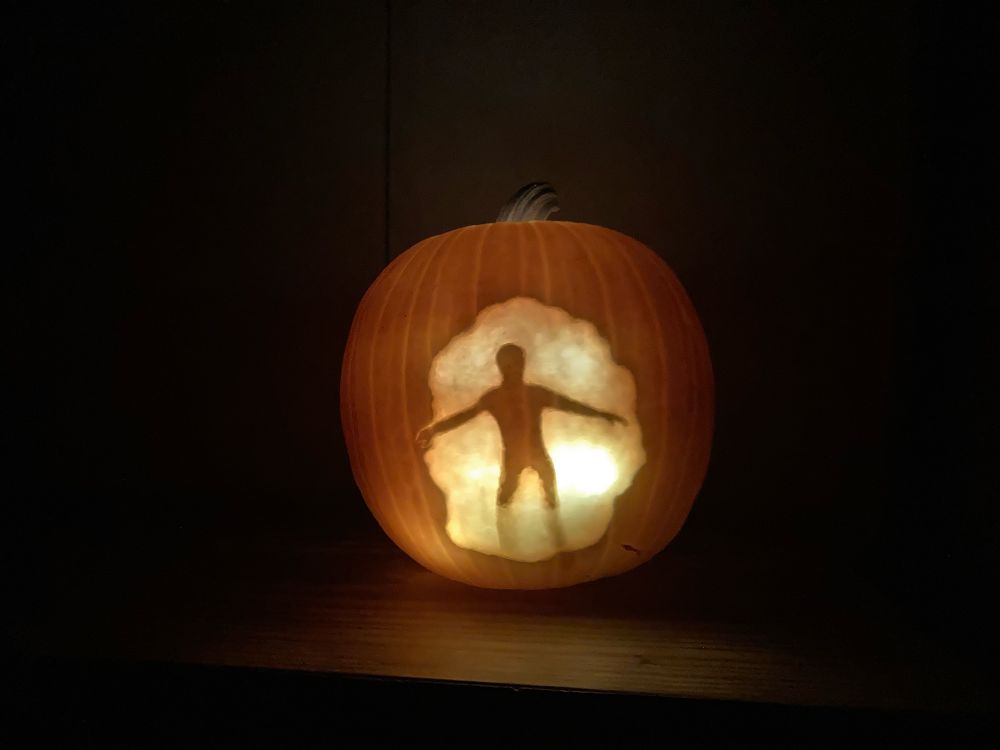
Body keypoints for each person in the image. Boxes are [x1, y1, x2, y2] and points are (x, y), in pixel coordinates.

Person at [416, 343, 625, 510]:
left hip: (537, 454)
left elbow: (569, 405)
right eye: (510, 365)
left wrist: (601, 414)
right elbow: (462, 417)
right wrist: (433, 429)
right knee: (505, 501)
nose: (515, 369)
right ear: (501, 367)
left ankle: (552, 540)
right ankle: (507, 539)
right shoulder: (495, 398)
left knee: (550, 496)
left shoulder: (534, 394)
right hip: (513, 457)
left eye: (518, 363)